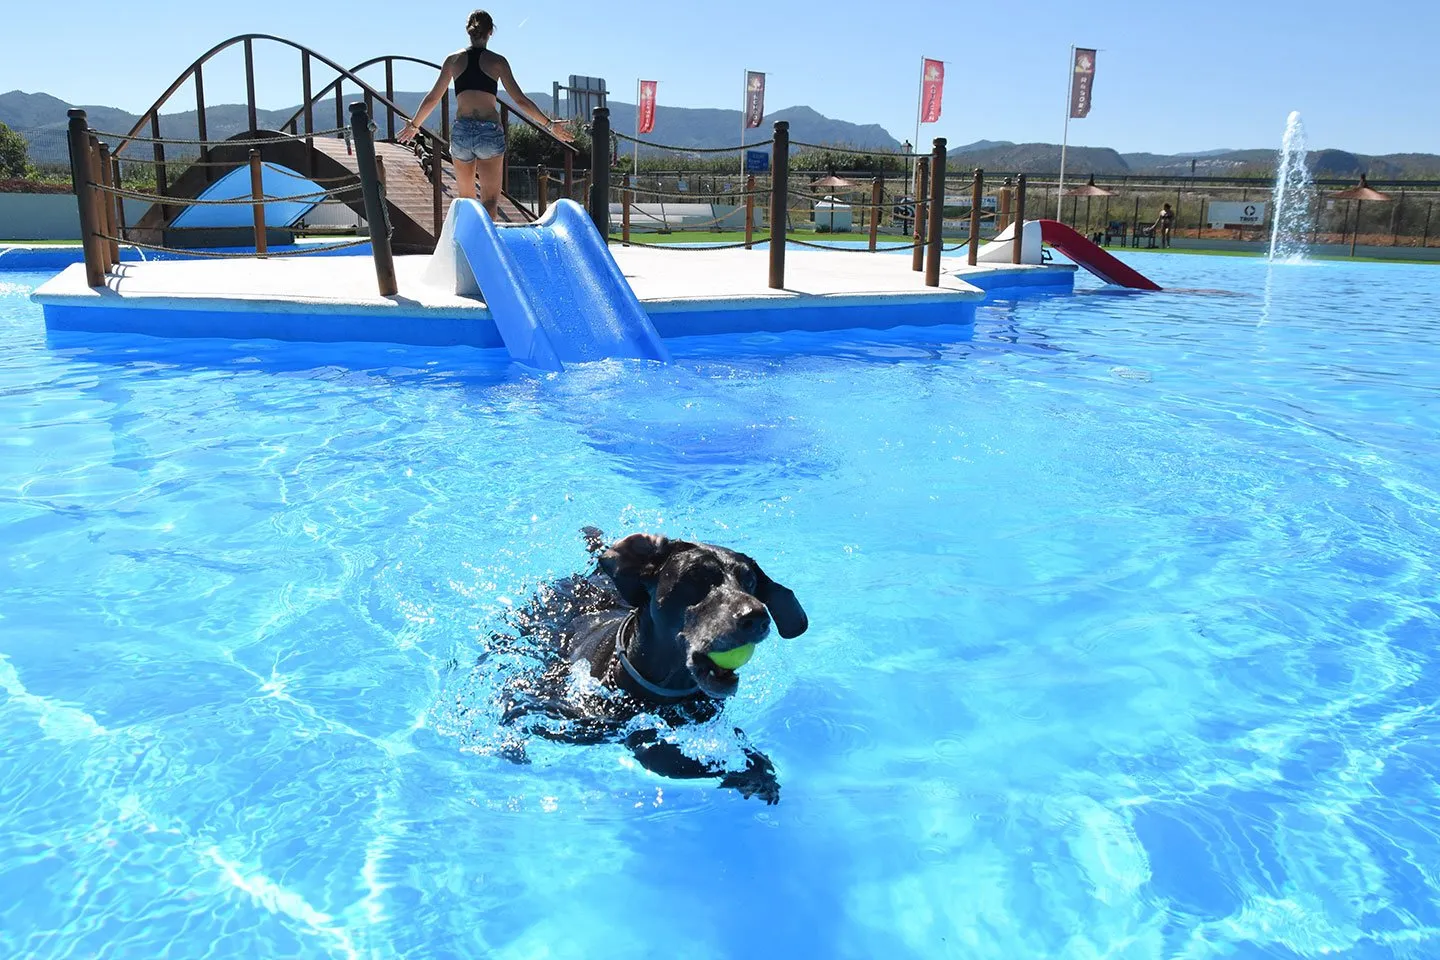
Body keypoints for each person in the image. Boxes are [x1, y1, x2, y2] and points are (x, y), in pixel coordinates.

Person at [398, 10, 573, 221]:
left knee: (467, 200)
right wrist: (549, 124)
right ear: (490, 32)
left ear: (468, 31)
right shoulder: (497, 62)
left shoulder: (453, 61)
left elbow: (433, 98)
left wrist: (415, 124)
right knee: (490, 199)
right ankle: (485, 246)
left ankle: (471, 247)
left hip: (462, 131)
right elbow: (520, 100)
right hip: (489, 132)